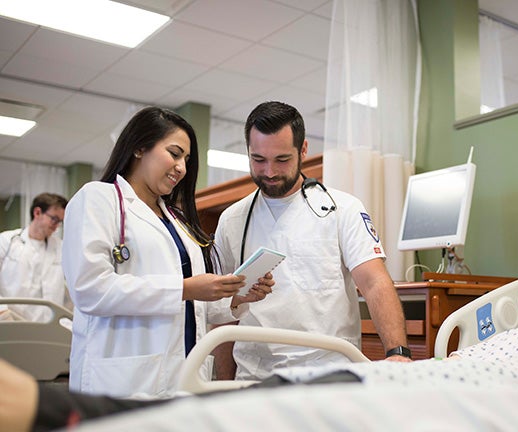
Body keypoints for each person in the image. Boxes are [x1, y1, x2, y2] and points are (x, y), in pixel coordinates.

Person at [4, 257, 518, 432]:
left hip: (491, 401)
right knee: (297, 397)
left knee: (309, 408)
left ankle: (60, 409)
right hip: (442, 377)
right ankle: (71, 407)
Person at [61, 107, 273, 398]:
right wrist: (184, 289)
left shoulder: (176, 221)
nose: (182, 168)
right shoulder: (99, 199)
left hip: (182, 375)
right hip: (122, 379)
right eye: (174, 153)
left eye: (186, 159)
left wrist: (237, 296)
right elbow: (89, 289)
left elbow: (193, 304)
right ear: (139, 147)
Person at [212, 101, 410, 381]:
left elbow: (374, 282)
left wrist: (397, 352)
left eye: (282, 160)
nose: (269, 172)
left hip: (330, 372)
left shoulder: (343, 209)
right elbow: (223, 311)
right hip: (255, 377)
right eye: (258, 160)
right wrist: (221, 385)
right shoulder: (232, 220)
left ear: (303, 149)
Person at [0, 193, 69, 321]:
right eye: (54, 219)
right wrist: (2, 311)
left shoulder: (61, 248)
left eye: (60, 221)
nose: (57, 226)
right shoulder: (6, 241)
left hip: (47, 325)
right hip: (11, 321)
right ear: (37, 213)